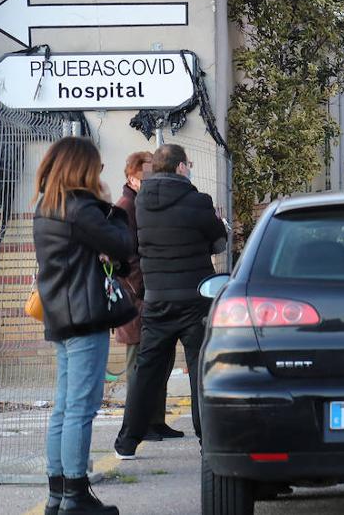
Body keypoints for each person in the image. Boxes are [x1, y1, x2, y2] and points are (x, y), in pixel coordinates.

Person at [34, 137, 134, 515]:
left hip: (60, 316)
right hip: (85, 316)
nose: (100, 172)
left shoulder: (47, 206)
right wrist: (112, 208)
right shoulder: (80, 209)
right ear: (82, 168)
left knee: (64, 408)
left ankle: (58, 494)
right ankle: (75, 495)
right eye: (97, 166)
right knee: (81, 408)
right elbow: (123, 245)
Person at [114, 144, 227, 460]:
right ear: (180, 167)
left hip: (157, 300)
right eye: (188, 164)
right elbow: (218, 243)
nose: (189, 168)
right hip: (195, 299)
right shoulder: (198, 201)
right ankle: (208, 442)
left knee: (146, 372)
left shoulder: (142, 203)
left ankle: (126, 442)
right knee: (200, 371)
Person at [112, 151, 182, 442]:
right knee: (140, 365)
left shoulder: (145, 204)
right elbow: (125, 256)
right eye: (146, 176)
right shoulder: (126, 207)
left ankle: (156, 420)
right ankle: (140, 425)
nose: (153, 180)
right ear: (132, 178)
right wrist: (142, 288)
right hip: (136, 298)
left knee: (160, 359)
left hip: (150, 295)